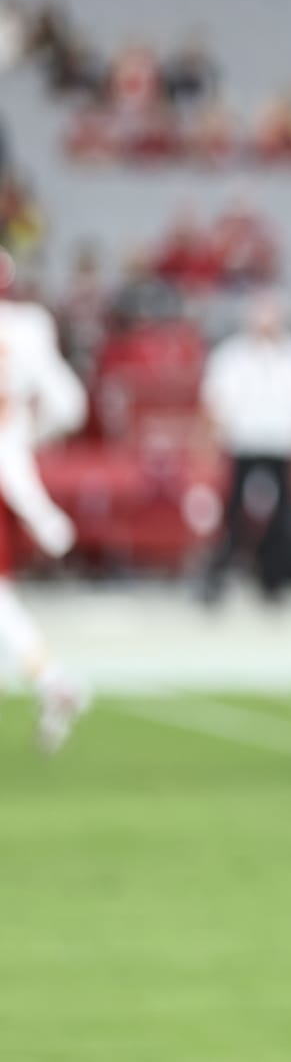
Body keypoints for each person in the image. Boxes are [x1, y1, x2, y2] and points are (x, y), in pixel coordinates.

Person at [0, 247, 88, 750]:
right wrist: (30, 435)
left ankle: (53, 679)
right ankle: (48, 678)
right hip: (12, 475)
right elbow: (69, 406)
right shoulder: (28, 329)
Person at [199, 288, 291, 606]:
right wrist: (211, 442)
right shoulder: (230, 356)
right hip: (243, 446)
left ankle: (273, 582)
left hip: (284, 448)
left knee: (283, 519)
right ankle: (218, 579)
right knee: (232, 517)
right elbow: (214, 404)